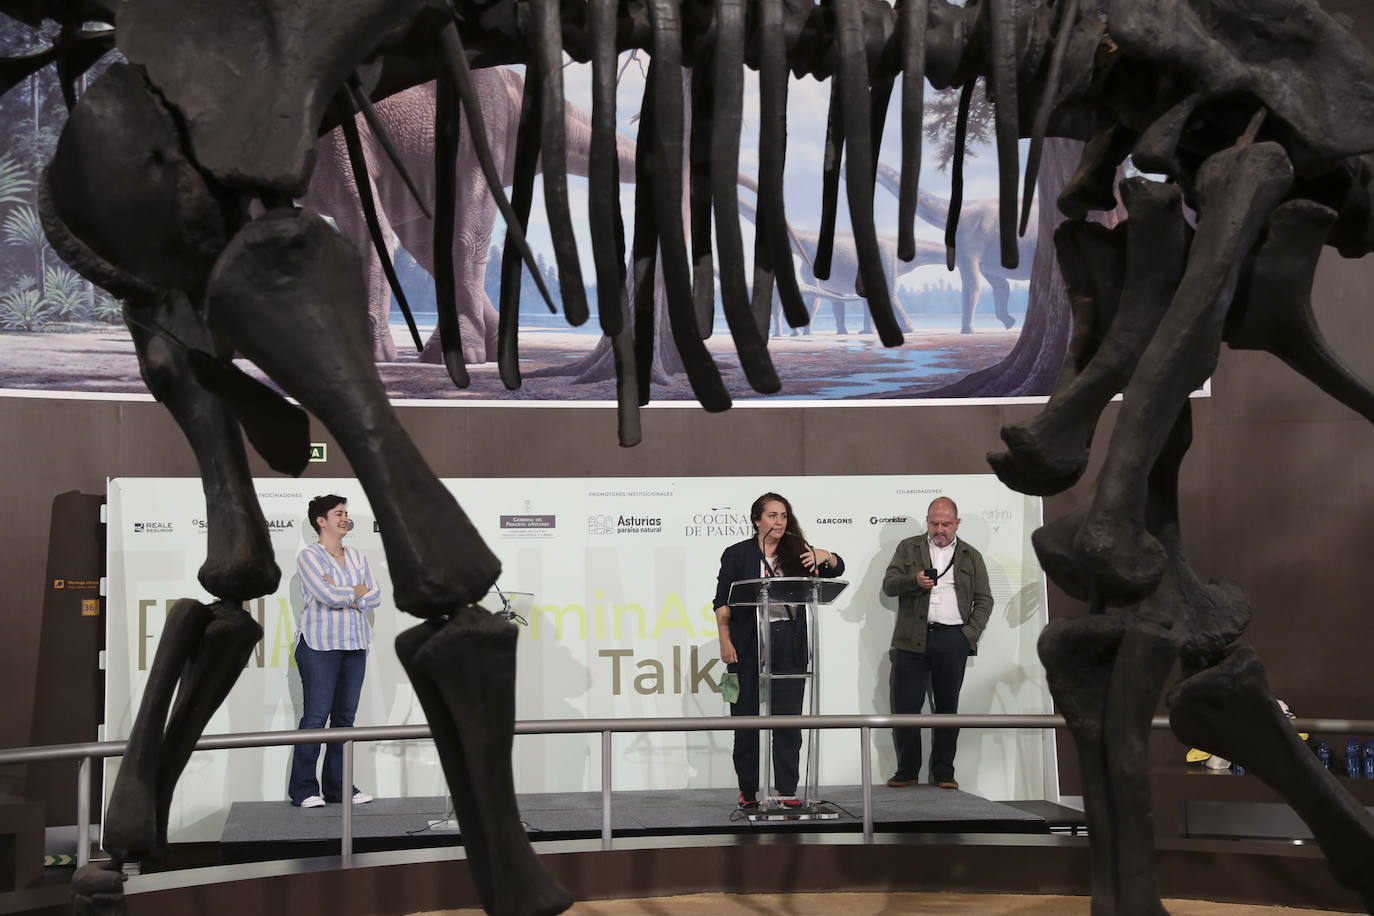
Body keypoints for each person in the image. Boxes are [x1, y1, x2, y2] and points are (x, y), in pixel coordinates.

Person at [715, 492, 846, 811]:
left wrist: (824, 554)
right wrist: (725, 640)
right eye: (772, 515)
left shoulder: (798, 551)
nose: (779, 521)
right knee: (745, 723)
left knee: (787, 723)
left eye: (784, 515)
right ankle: (748, 791)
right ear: (756, 520)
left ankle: (787, 791)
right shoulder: (737, 554)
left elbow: (835, 569)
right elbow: (722, 601)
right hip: (747, 643)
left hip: (789, 642)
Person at [882, 496, 993, 790]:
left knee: (947, 708)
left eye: (945, 524)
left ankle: (944, 771)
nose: (939, 529)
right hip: (910, 639)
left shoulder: (971, 555)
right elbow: (889, 585)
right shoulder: (909, 547)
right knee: (905, 707)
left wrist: (967, 635)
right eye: (934, 523)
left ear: (957, 523)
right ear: (927, 521)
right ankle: (907, 770)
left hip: (952, 638)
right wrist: (913, 580)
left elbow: (985, 600)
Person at [289, 494, 380, 807]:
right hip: (319, 646)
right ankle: (304, 790)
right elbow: (326, 594)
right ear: (321, 521)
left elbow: (376, 594)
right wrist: (356, 592)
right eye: (338, 513)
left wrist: (352, 593)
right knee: (315, 717)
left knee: (344, 719)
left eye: (346, 513)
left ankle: (339, 788)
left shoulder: (357, 556)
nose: (345, 518)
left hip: (355, 645)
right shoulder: (309, 557)